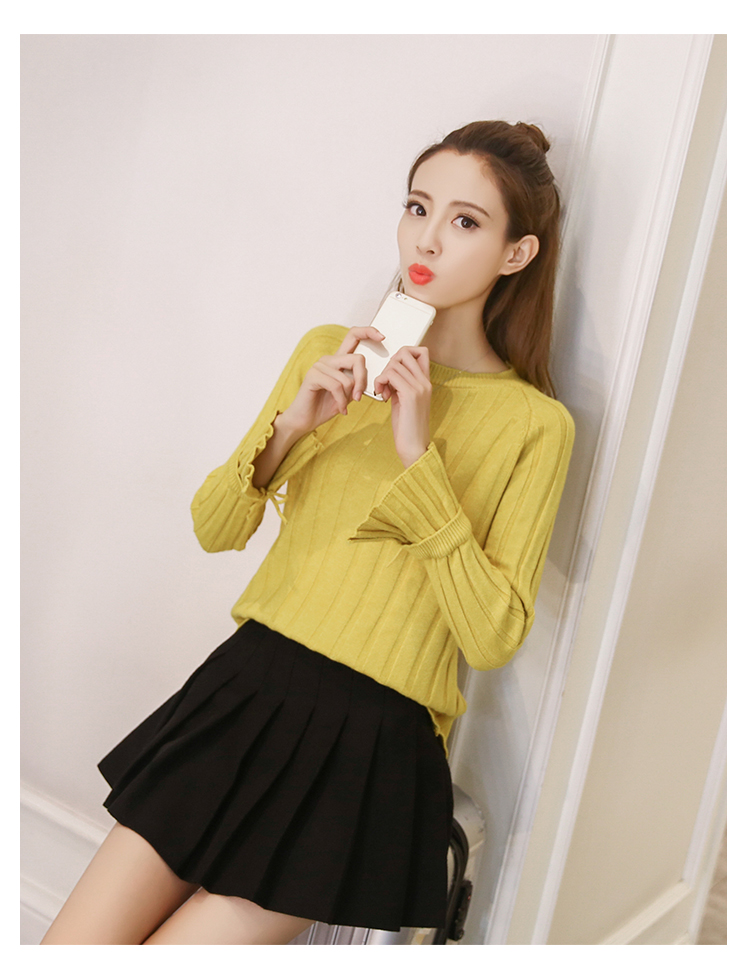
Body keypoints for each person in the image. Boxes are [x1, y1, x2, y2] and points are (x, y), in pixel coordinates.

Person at [41, 119, 575, 945]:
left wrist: (418, 457)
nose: (427, 238)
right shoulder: (329, 353)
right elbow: (215, 528)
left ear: (517, 254)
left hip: (369, 742)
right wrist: (293, 425)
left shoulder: (535, 425)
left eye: (465, 221)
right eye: (417, 207)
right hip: (246, 690)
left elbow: (492, 634)